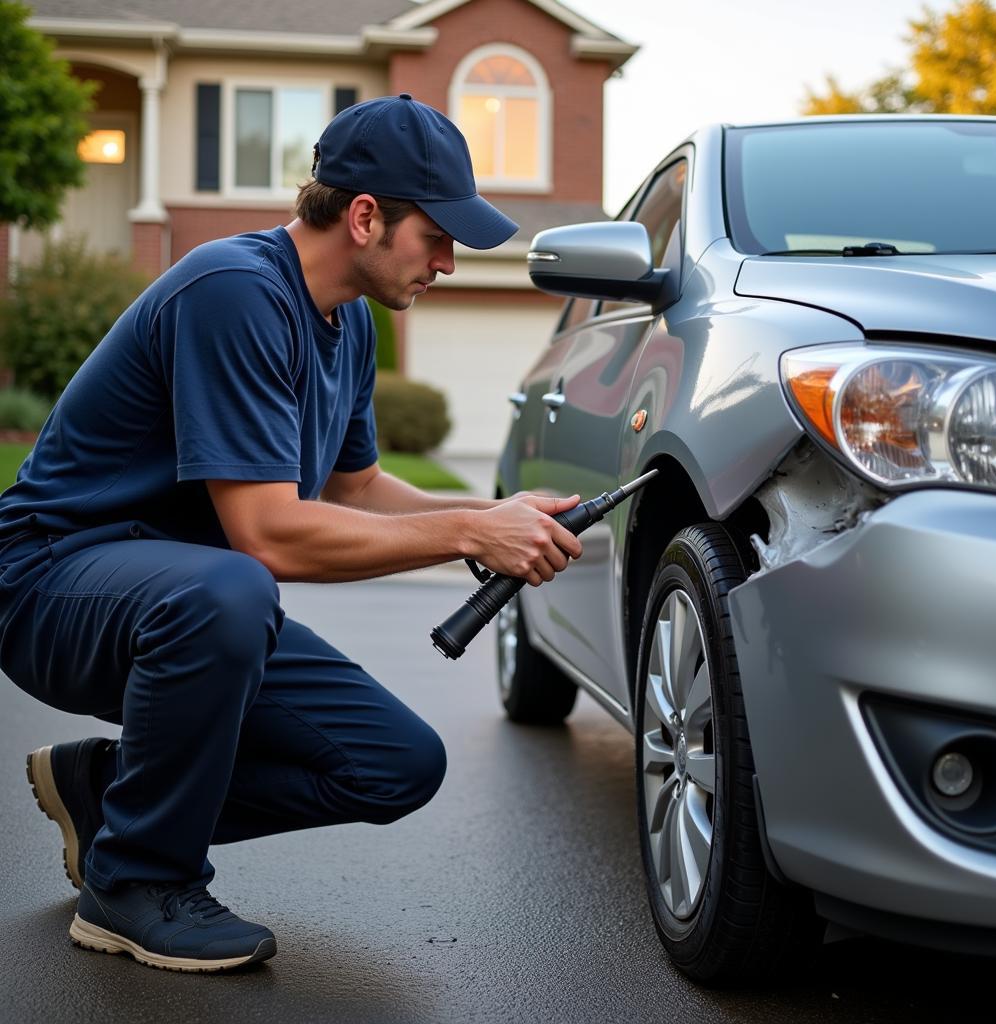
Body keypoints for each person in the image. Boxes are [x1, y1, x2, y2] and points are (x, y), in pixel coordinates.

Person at [0, 94, 582, 973]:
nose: (451, 265)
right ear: (363, 217)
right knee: (235, 586)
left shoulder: (347, 324)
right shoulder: (233, 290)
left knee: (394, 763)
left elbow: (356, 488)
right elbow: (268, 538)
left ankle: (105, 795)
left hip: (183, 597)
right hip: (50, 581)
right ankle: (134, 883)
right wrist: (467, 526)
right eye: (438, 237)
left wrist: (499, 520)